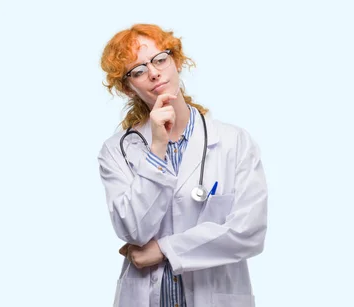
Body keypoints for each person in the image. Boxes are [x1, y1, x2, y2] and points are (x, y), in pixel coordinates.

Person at [96, 24, 268, 307]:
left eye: (159, 60)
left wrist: (165, 249)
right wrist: (157, 150)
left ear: (175, 60)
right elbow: (133, 231)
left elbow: (249, 231)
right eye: (137, 71)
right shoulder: (117, 152)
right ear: (128, 88)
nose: (153, 73)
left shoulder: (233, 142)